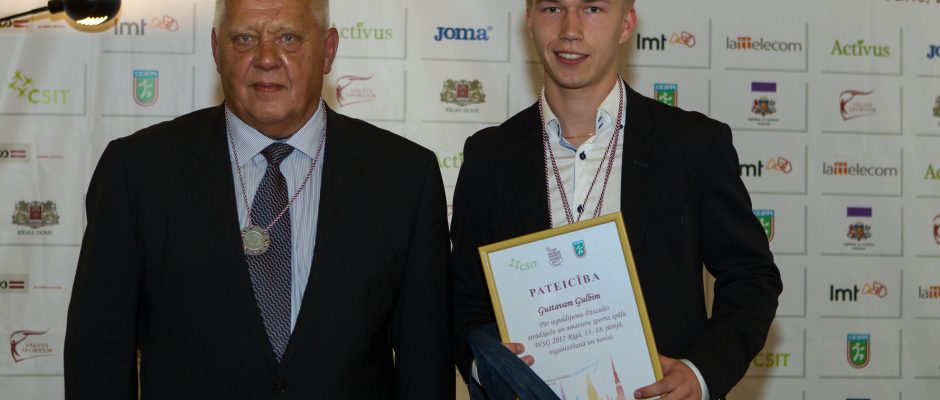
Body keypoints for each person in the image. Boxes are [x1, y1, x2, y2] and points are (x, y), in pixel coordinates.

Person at [64, 0, 453, 398]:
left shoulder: (404, 176)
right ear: (217, 50)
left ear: (328, 50)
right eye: (245, 38)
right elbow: (99, 353)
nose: (266, 59)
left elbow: (426, 359)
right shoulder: (139, 170)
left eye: (289, 38)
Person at [451, 0, 782, 399]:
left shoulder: (692, 145)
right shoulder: (489, 156)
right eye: (552, 8)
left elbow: (751, 278)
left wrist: (700, 372)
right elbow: (464, 296)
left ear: (626, 24)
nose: (570, 30)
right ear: (530, 22)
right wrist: (486, 365)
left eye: (592, 8)